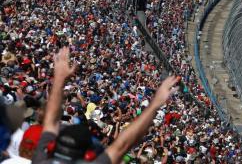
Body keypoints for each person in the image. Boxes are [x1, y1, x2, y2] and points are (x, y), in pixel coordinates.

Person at [32, 47, 178, 164]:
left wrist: (59, 79)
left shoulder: (41, 158)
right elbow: (122, 145)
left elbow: (50, 121)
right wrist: (155, 104)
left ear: (52, 146)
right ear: (88, 155)